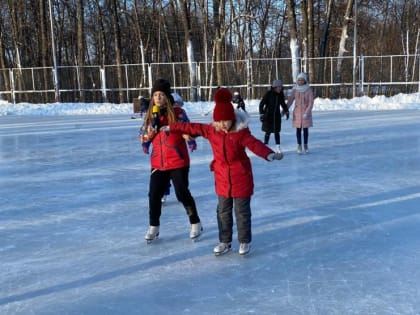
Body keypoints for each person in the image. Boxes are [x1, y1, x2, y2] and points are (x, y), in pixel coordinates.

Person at [162, 88, 284, 256]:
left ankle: (244, 241)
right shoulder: (212, 131)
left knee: (242, 212)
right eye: (219, 121)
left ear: (232, 119)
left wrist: (268, 154)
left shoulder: (241, 133)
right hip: (221, 177)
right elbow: (192, 127)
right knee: (223, 211)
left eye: (226, 120)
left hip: (241, 176)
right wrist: (172, 127)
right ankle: (225, 241)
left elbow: (254, 144)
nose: (223, 124)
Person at [138, 78, 202, 242]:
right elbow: (143, 135)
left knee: (182, 194)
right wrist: (150, 133)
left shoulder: (178, 113)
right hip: (158, 162)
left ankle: (195, 223)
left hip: (177, 160)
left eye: (161, 95)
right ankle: (154, 226)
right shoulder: (150, 115)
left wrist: (190, 139)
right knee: (154, 195)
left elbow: (187, 128)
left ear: (167, 97)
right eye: (155, 94)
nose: (158, 97)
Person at [161, 92, 197, 204]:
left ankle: (183, 193)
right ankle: (163, 194)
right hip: (164, 151)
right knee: (164, 176)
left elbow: (188, 127)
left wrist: (191, 141)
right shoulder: (163, 113)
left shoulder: (181, 113)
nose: (176, 106)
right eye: (174, 104)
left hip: (178, 152)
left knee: (181, 178)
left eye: (178, 104)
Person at [259, 80, 289, 153]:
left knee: (277, 131)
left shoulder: (280, 94)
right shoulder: (269, 94)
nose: (280, 88)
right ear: (274, 87)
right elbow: (261, 104)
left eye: (281, 87)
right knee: (268, 131)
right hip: (268, 115)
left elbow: (283, 104)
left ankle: (278, 146)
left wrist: (286, 111)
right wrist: (262, 113)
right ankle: (265, 144)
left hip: (277, 116)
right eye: (278, 87)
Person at [287, 72, 314, 154]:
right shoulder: (295, 90)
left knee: (305, 130)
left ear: (305, 81)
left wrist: (307, 112)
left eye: (302, 80)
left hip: (306, 113)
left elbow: (311, 102)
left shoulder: (308, 90)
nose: (300, 81)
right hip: (297, 113)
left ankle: (305, 144)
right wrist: (285, 110)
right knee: (298, 130)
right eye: (299, 80)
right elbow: (290, 101)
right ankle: (299, 145)